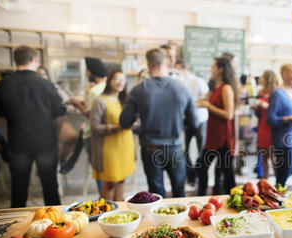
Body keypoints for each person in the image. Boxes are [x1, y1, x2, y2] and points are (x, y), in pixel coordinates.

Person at [120, 48, 198, 198]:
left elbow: (124, 122)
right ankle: (182, 221)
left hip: (151, 148)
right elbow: (194, 122)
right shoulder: (182, 88)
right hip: (175, 147)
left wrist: (140, 121)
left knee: (156, 194)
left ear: (148, 65)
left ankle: (158, 221)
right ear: (167, 63)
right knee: (179, 192)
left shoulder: (138, 90)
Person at [0, 46, 66, 207]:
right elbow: (59, 111)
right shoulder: (47, 85)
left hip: (18, 142)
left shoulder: (3, 85)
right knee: (50, 188)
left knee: (18, 189)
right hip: (46, 142)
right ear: (33, 60)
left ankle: (16, 227)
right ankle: (57, 225)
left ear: (16, 60)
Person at [90, 70, 135, 202]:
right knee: (111, 182)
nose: (120, 82)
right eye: (116, 79)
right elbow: (94, 126)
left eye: (123, 79)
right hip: (109, 147)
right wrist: (114, 127)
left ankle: (119, 211)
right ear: (109, 81)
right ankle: (106, 212)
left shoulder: (126, 101)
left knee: (121, 180)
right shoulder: (100, 101)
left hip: (125, 145)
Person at [196, 57, 238, 195]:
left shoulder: (226, 88)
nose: (211, 69)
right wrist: (199, 102)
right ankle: (202, 198)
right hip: (212, 135)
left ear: (221, 69)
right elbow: (206, 100)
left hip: (223, 137)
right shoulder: (215, 87)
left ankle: (233, 202)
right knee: (202, 167)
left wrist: (208, 105)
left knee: (227, 174)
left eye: (213, 66)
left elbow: (229, 114)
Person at [69, 57, 108, 194]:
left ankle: (104, 201)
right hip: (108, 135)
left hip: (92, 135)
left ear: (91, 71)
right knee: (107, 170)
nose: (86, 74)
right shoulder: (108, 87)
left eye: (87, 71)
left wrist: (77, 104)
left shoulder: (95, 90)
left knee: (98, 171)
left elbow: (91, 116)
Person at [266, 64, 292, 186]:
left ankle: (279, 199)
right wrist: (291, 118)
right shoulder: (277, 93)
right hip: (282, 143)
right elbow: (270, 119)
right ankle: (277, 202)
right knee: (282, 177)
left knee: (286, 174)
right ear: (284, 75)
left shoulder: (291, 93)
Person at [175, 60, 210, 186]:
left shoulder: (199, 81)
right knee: (186, 151)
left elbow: (206, 99)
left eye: (178, 70)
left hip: (200, 120)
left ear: (185, 69)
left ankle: (199, 176)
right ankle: (190, 176)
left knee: (201, 150)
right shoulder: (180, 83)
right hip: (187, 120)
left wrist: (192, 103)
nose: (176, 73)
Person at [255, 70, 279, 180]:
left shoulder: (277, 92)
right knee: (264, 155)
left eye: (263, 77)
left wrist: (267, 106)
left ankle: (279, 181)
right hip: (262, 126)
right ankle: (265, 180)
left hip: (273, 127)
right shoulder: (260, 92)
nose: (260, 79)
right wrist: (255, 107)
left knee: (274, 156)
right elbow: (258, 113)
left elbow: (279, 110)